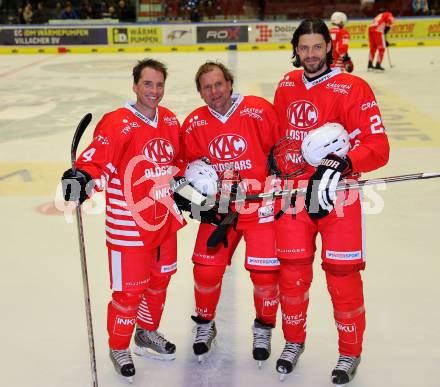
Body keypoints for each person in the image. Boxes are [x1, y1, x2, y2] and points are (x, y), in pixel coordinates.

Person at [272, 18, 389, 385]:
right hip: (293, 196)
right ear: (296, 49)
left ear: (329, 46)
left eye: (317, 47)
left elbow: (378, 146)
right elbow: (281, 141)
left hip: (339, 196)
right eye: (303, 48)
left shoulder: (353, 86)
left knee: (343, 276)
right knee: (291, 275)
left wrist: (343, 162)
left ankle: (349, 353)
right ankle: (293, 342)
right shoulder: (286, 85)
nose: (310, 55)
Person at [61, 59, 185, 382]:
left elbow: (178, 164)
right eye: (147, 84)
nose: (154, 91)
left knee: (159, 284)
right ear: (135, 85)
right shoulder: (116, 123)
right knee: (128, 294)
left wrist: (193, 191)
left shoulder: (170, 119)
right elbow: (97, 163)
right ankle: (119, 346)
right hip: (128, 227)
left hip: (165, 222)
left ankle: (146, 332)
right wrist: (82, 179)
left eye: (159, 85)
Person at [179, 61, 280, 366]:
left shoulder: (258, 109)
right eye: (207, 87)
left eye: (219, 84)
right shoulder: (194, 124)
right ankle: (205, 324)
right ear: (200, 92)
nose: (214, 91)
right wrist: (196, 202)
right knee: (205, 269)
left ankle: (263, 327)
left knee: (265, 276)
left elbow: (282, 147)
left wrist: (277, 179)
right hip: (221, 209)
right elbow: (184, 171)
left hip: (259, 205)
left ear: (230, 83)